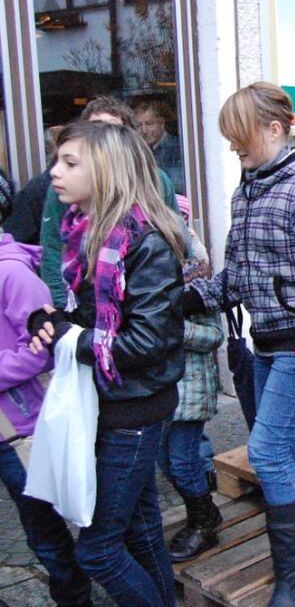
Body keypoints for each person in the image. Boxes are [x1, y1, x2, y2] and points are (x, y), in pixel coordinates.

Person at [182, 82, 295, 605]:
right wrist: (194, 297)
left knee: (267, 449)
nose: (234, 147)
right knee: (277, 444)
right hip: (267, 341)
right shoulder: (249, 188)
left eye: (240, 138)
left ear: (275, 130)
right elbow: (241, 273)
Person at [27, 120, 187, 606]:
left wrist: (69, 343)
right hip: (113, 402)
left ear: (107, 170)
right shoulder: (88, 233)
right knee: (141, 530)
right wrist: (48, 318)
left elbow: (144, 342)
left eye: (70, 162)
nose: (55, 172)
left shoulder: (146, 242)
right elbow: (90, 315)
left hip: (134, 412)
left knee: (97, 552)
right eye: (58, 160)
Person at [0, 166, 92, 607]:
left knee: (48, 529)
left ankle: (75, 595)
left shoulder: (13, 275)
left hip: (22, 428)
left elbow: (42, 348)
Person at [39, 96, 179, 308]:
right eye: (94, 129)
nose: (57, 172)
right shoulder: (68, 202)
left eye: (110, 132)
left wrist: (71, 336)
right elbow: (51, 248)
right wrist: (61, 312)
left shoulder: (146, 241)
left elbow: (147, 329)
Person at [158, 195, 225, 562]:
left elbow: (212, 336)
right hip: (162, 388)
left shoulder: (196, 280)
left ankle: (203, 522)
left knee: (182, 460)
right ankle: (204, 510)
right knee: (164, 460)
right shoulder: (150, 281)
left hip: (192, 390)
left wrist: (170, 328)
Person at [135, 101, 185, 194]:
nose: (144, 131)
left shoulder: (176, 148)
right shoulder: (138, 150)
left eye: (149, 124)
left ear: (161, 123)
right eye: (139, 126)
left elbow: (177, 187)